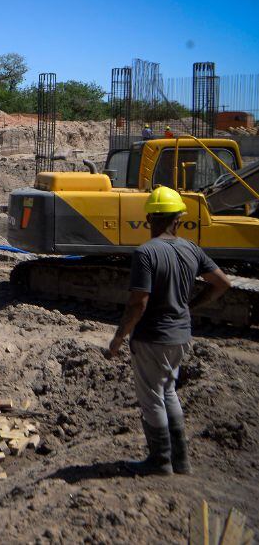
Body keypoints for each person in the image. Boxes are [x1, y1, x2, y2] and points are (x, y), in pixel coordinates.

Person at [105, 186, 231, 475]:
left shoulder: (146, 253)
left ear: (150, 218)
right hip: (180, 335)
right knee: (169, 392)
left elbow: (139, 302)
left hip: (152, 337)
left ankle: (160, 461)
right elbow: (222, 283)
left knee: (151, 398)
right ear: (178, 220)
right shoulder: (191, 249)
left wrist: (119, 337)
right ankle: (181, 459)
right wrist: (192, 305)